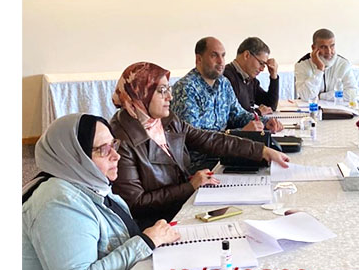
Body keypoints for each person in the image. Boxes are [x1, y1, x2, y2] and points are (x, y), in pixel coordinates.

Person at [22, 113, 181, 270]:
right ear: (75, 156)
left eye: (113, 145)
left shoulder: (95, 188)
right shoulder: (58, 201)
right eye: (103, 150)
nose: (116, 155)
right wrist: (146, 242)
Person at [111, 62, 290, 228]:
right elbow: (135, 204)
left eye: (168, 89)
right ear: (141, 94)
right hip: (158, 224)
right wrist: (189, 186)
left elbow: (209, 140)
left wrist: (261, 150)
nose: (170, 97)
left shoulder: (165, 120)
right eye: (161, 91)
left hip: (181, 205)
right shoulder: (121, 139)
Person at [171, 37, 283, 171]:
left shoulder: (223, 83)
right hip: (200, 167)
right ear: (199, 59)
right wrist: (240, 134)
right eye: (214, 56)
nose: (221, 61)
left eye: (223, 56)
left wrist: (265, 122)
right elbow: (193, 140)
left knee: (275, 166)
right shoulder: (186, 89)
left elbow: (238, 114)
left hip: (226, 156)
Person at [294, 28, 357, 102]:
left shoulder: (343, 63)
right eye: (323, 47)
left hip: (337, 107)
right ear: (313, 48)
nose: (329, 51)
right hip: (311, 108)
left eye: (332, 46)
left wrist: (322, 96)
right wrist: (319, 69)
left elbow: (352, 93)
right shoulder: (302, 64)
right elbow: (306, 96)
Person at [223, 36, 280, 115]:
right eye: (261, 63)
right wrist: (257, 112)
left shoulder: (250, 79)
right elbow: (234, 115)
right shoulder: (226, 78)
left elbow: (270, 106)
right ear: (247, 55)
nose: (262, 69)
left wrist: (274, 76)